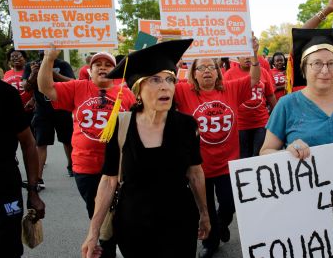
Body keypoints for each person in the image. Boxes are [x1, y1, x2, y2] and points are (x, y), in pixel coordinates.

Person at [81, 39, 210, 258]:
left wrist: (205, 213)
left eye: (170, 79)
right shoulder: (120, 126)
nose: (165, 86)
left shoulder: (187, 125)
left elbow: (195, 172)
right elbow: (109, 180)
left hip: (179, 222)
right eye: (155, 79)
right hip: (133, 225)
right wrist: (93, 232)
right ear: (137, 89)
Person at [38, 46, 135, 257]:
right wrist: (48, 58)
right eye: (97, 65)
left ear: (117, 69)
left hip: (120, 166)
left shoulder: (126, 93)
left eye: (108, 64)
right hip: (87, 168)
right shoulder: (77, 87)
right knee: (98, 213)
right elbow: (46, 88)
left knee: (123, 212)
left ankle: (117, 241)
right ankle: (105, 248)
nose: (102, 68)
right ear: (89, 71)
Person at [174, 35, 261, 258]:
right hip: (198, 167)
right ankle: (211, 243)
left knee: (230, 203)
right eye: (201, 68)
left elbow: (253, 79)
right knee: (206, 208)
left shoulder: (230, 89)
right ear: (193, 73)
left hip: (227, 164)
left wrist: (254, 54)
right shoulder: (183, 91)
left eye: (211, 67)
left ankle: (222, 224)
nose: (206, 71)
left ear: (218, 71)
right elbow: (163, 82)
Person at [260, 27, 333, 158]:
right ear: (304, 68)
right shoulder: (286, 105)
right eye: (317, 63)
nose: (325, 70)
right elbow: (265, 152)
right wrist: (288, 152)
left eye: (331, 63)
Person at [0, 79, 45, 258]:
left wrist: (33, 192)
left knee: (7, 246)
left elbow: (27, 142)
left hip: (4, 185)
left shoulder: (5, 93)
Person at [23, 50, 74, 181]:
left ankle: (71, 166)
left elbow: (72, 83)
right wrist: (34, 73)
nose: (43, 52)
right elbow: (26, 87)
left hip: (62, 109)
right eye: (41, 51)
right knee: (41, 143)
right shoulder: (31, 66)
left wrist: (50, 72)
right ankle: (38, 178)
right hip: (42, 110)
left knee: (67, 140)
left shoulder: (63, 65)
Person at [224, 55, 277, 158]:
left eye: (250, 56)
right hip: (240, 125)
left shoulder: (263, 72)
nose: (247, 58)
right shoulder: (229, 74)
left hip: (262, 122)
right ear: (237, 58)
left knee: (260, 156)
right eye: (244, 56)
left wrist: (277, 115)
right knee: (244, 156)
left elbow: (270, 95)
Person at [3, 49, 35, 126]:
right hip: (13, 111)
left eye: (18, 56)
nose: (15, 58)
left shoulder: (31, 72)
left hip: (30, 111)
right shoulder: (7, 73)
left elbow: (39, 88)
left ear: (25, 58)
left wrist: (33, 100)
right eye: (12, 56)